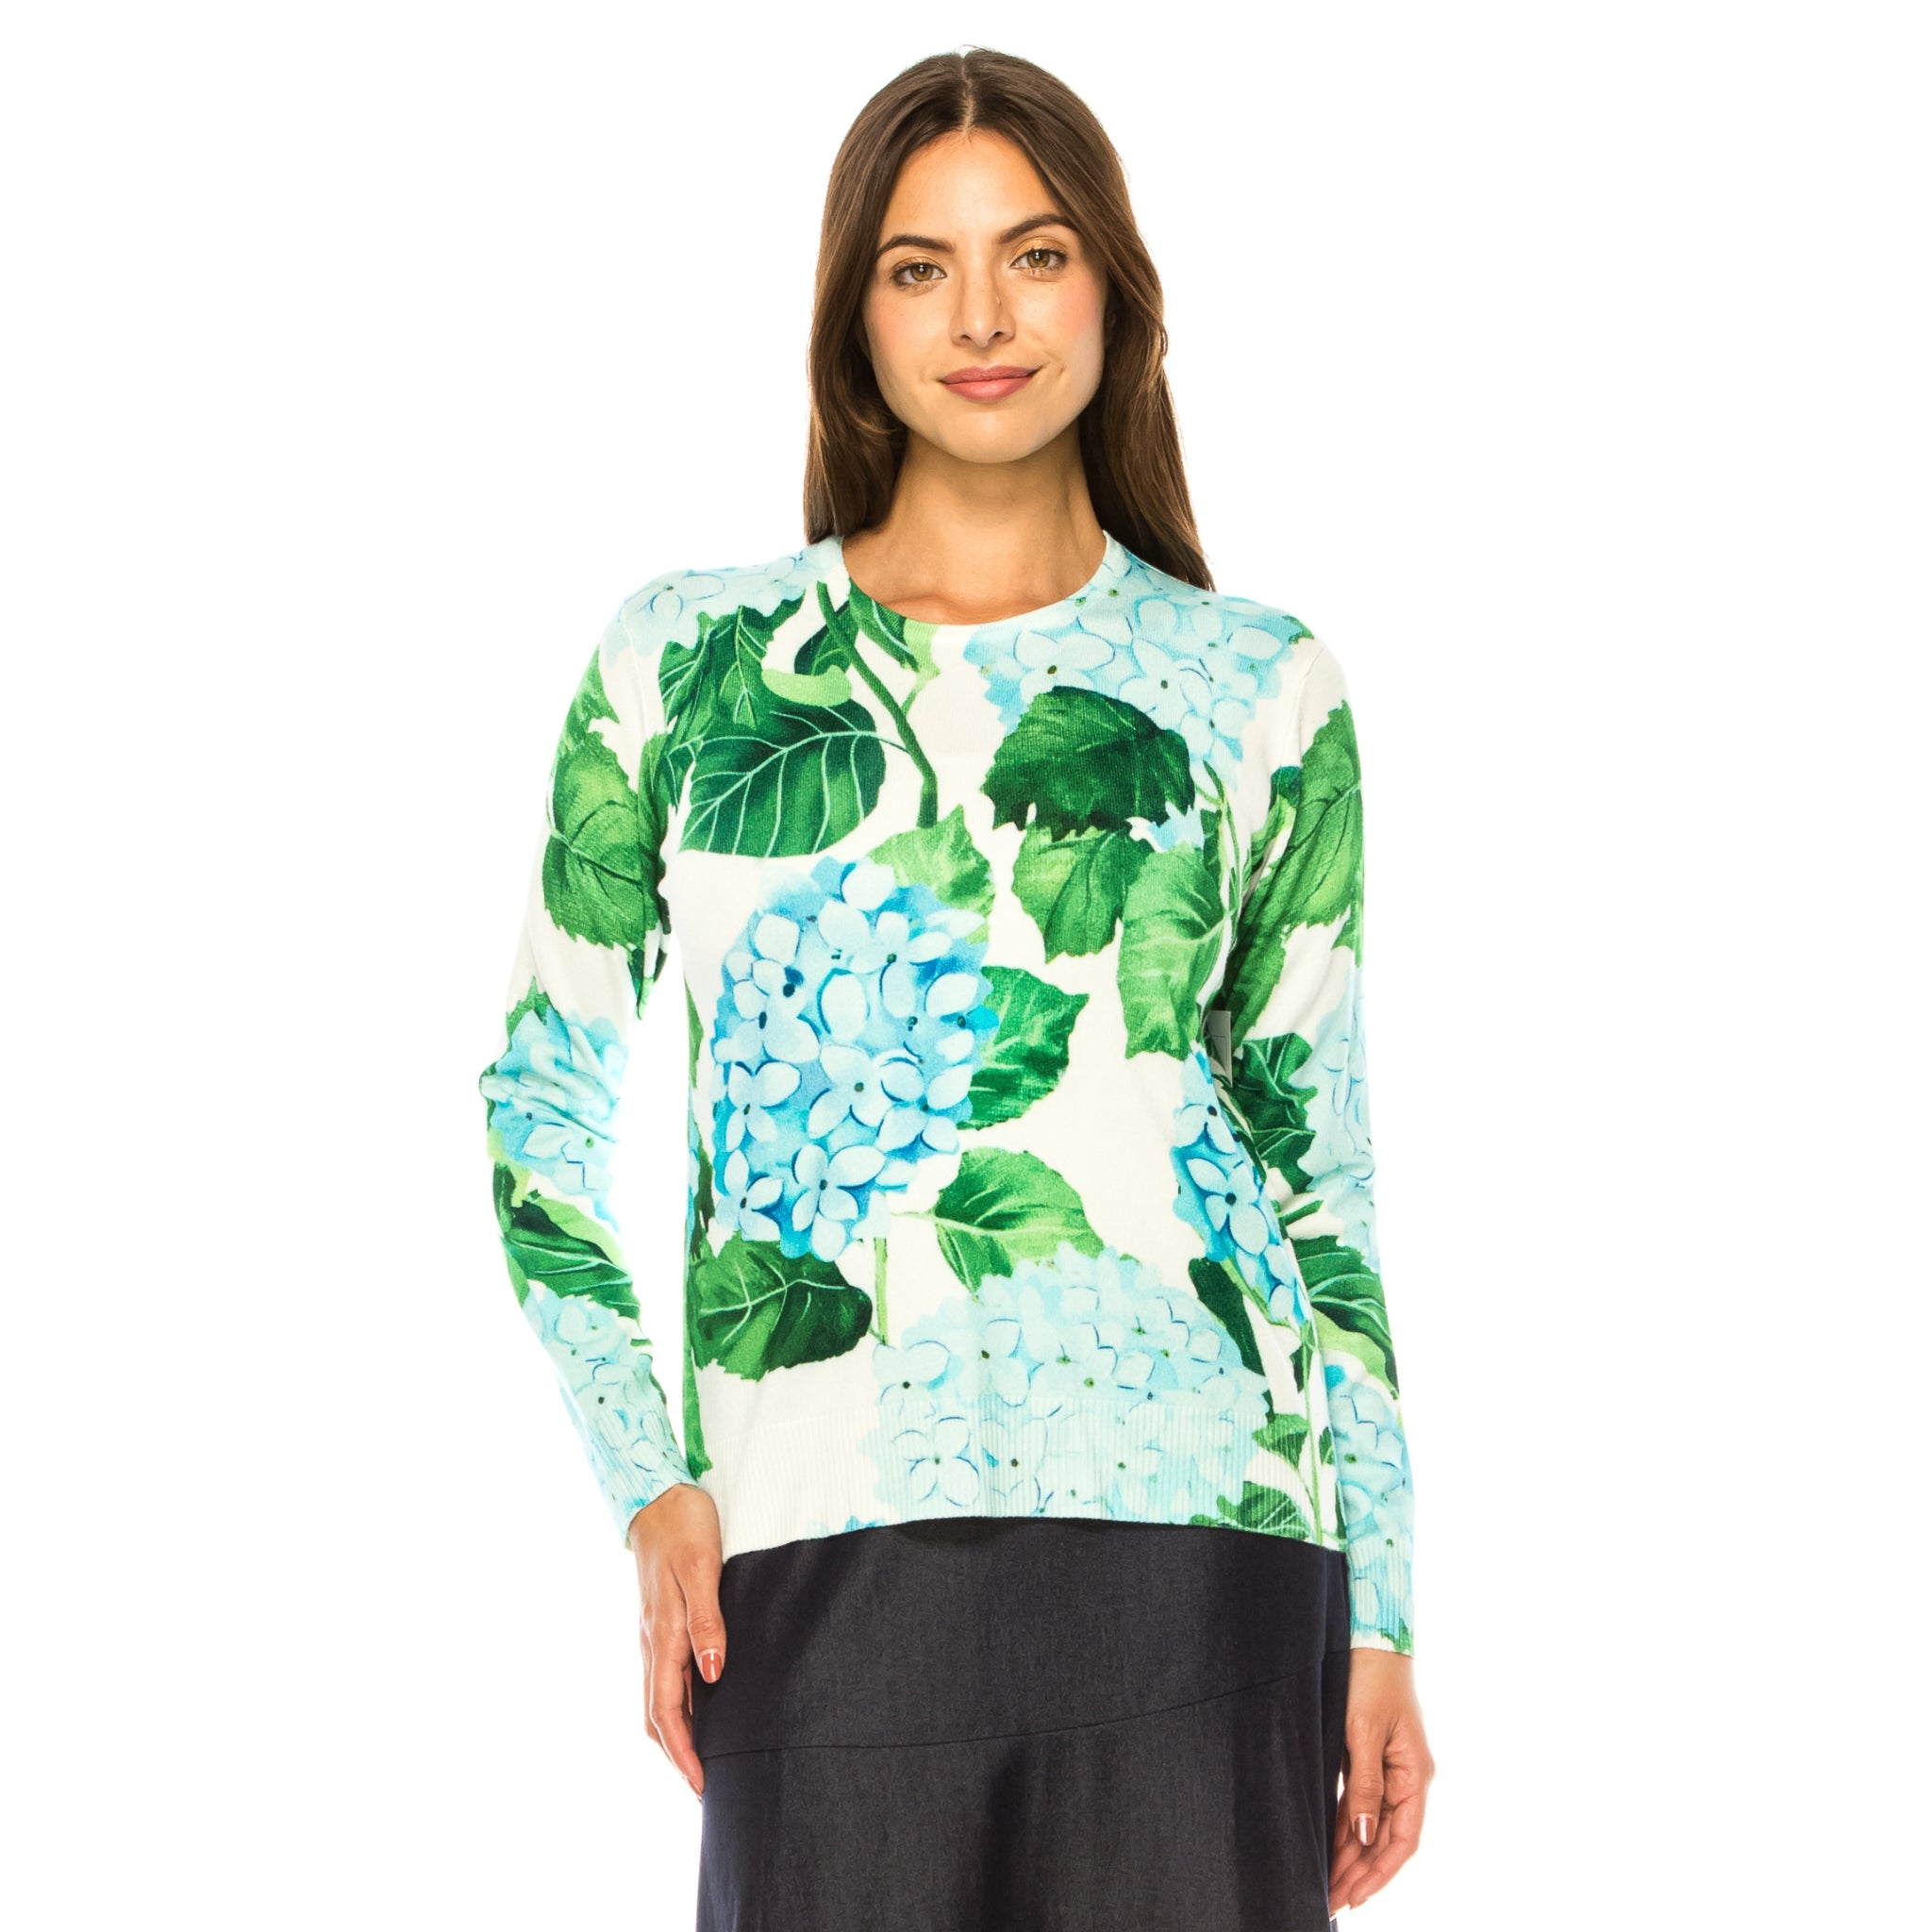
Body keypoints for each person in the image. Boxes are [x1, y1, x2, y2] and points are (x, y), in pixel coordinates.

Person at [477, 44, 1433, 1930]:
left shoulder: (1262, 685)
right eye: (920, 266)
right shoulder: (690, 666)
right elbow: (540, 1106)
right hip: (809, 1563)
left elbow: (1318, 1174)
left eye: (1036, 255)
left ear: (1116, 295)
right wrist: (651, 1485)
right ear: (855, 311)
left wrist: (1385, 1607)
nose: (982, 318)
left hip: (1208, 1559)